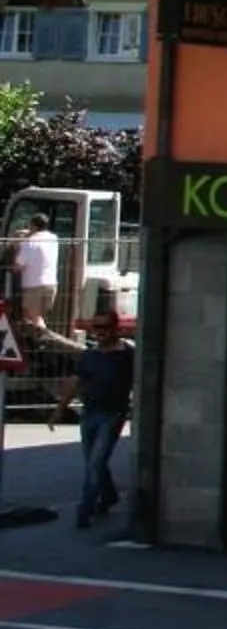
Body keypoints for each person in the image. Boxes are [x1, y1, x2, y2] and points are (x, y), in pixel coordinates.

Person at [60, 310, 132, 527]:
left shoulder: (127, 355)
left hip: (112, 415)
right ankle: (109, 495)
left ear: (115, 329)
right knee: (95, 462)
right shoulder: (90, 356)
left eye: (104, 327)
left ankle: (86, 508)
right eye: (95, 328)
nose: (99, 332)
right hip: (89, 413)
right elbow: (76, 381)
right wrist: (59, 409)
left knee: (96, 462)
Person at [8, 210, 58, 333]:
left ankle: (44, 342)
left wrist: (16, 246)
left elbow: (17, 266)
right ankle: (38, 344)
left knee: (31, 319)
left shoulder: (29, 243)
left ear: (33, 226)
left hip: (34, 286)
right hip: (51, 285)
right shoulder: (53, 238)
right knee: (39, 318)